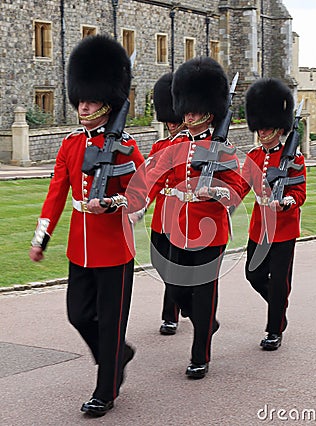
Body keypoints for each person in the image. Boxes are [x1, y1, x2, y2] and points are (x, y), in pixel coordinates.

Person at [29, 35, 147, 417]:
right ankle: (117, 357)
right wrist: (41, 237)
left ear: (107, 103)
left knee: (111, 323)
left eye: (91, 100)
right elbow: (56, 194)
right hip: (80, 247)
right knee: (78, 314)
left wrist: (112, 203)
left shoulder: (128, 148)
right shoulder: (70, 145)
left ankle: (106, 389)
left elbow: (139, 198)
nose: (83, 105)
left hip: (114, 248)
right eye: (80, 99)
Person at [146, 57, 241, 379]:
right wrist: (135, 203)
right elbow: (156, 176)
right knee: (174, 288)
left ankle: (200, 355)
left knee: (203, 294)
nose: (188, 115)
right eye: (186, 109)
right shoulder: (175, 146)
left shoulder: (223, 149)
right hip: (175, 227)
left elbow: (237, 187)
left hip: (210, 231)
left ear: (208, 112)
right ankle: (205, 321)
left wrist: (216, 193)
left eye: (194, 110)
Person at [240, 77, 306, 351]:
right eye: (261, 128)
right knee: (253, 274)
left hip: (284, 229)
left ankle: (273, 329)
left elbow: (300, 193)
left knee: (279, 282)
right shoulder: (255, 156)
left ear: (279, 129)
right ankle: (279, 310)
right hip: (260, 228)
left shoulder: (294, 159)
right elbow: (240, 186)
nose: (263, 132)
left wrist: (287, 202)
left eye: (268, 128)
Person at [147, 72, 184, 335]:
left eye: (175, 119)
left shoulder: (192, 145)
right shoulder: (159, 145)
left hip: (181, 214)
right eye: (168, 120)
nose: (171, 124)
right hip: (161, 213)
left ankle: (170, 315)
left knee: (172, 267)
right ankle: (185, 297)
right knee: (159, 262)